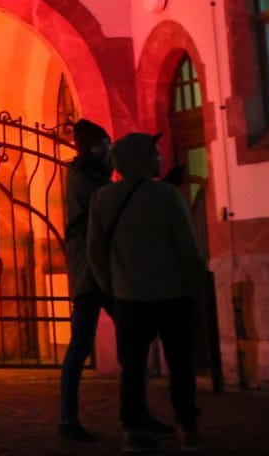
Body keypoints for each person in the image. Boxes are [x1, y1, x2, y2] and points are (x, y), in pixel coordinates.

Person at [87, 133, 206, 453]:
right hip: (172, 293)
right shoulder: (166, 196)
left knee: (133, 367)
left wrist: (109, 286)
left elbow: (95, 251)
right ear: (142, 160)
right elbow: (186, 246)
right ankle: (188, 426)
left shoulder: (103, 198)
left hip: (128, 295)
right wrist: (195, 283)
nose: (160, 157)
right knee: (181, 365)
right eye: (154, 153)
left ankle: (132, 429)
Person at [58, 118, 116, 442]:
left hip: (102, 267)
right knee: (80, 344)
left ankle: (136, 411)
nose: (107, 150)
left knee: (130, 338)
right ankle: (67, 417)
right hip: (91, 269)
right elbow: (103, 204)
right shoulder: (84, 177)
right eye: (102, 146)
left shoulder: (91, 174)